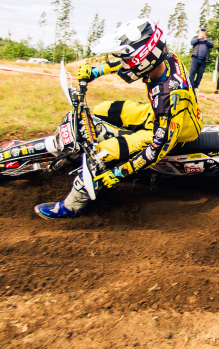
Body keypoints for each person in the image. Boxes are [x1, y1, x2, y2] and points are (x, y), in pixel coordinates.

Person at [35, 19, 203, 219]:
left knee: (103, 152)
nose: (125, 65)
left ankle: (73, 206)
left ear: (143, 61)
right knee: (102, 109)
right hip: (158, 113)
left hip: (175, 129)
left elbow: (157, 149)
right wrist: (96, 71)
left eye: (128, 60)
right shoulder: (163, 58)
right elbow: (125, 65)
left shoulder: (169, 96)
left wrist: (118, 173)